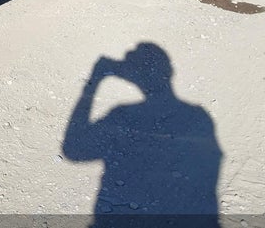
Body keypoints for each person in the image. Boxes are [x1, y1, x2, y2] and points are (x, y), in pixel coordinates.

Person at [63, 43, 222, 226]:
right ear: (169, 71)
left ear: (132, 76)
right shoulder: (198, 118)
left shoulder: (122, 116)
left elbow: (73, 149)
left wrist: (94, 80)